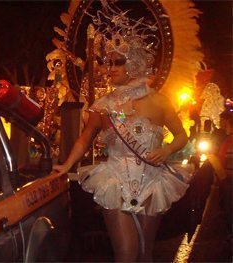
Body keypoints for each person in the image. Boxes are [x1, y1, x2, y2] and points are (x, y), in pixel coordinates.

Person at [53, 10, 189, 262]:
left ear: (134, 62)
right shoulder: (103, 105)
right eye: (108, 62)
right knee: (126, 253)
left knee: (144, 253)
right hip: (114, 181)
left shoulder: (159, 102)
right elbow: (85, 138)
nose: (109, 68)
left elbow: (182, 136)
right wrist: (66, 165)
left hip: (152, 184)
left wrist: (167, 150)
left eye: (118, 62)